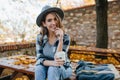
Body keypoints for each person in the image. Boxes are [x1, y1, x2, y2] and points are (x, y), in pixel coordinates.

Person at [35, 5, 72, 80]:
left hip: (63, 67)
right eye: (49, 20)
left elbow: (59, 59)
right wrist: (52, 63)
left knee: (53, 69)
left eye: (55, 19)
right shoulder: (40, 38)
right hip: (48, 66)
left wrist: (60, 39)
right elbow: (39, 59)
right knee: (38, 68)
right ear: (44, 23)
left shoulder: (65, 38)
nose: (54, 23)